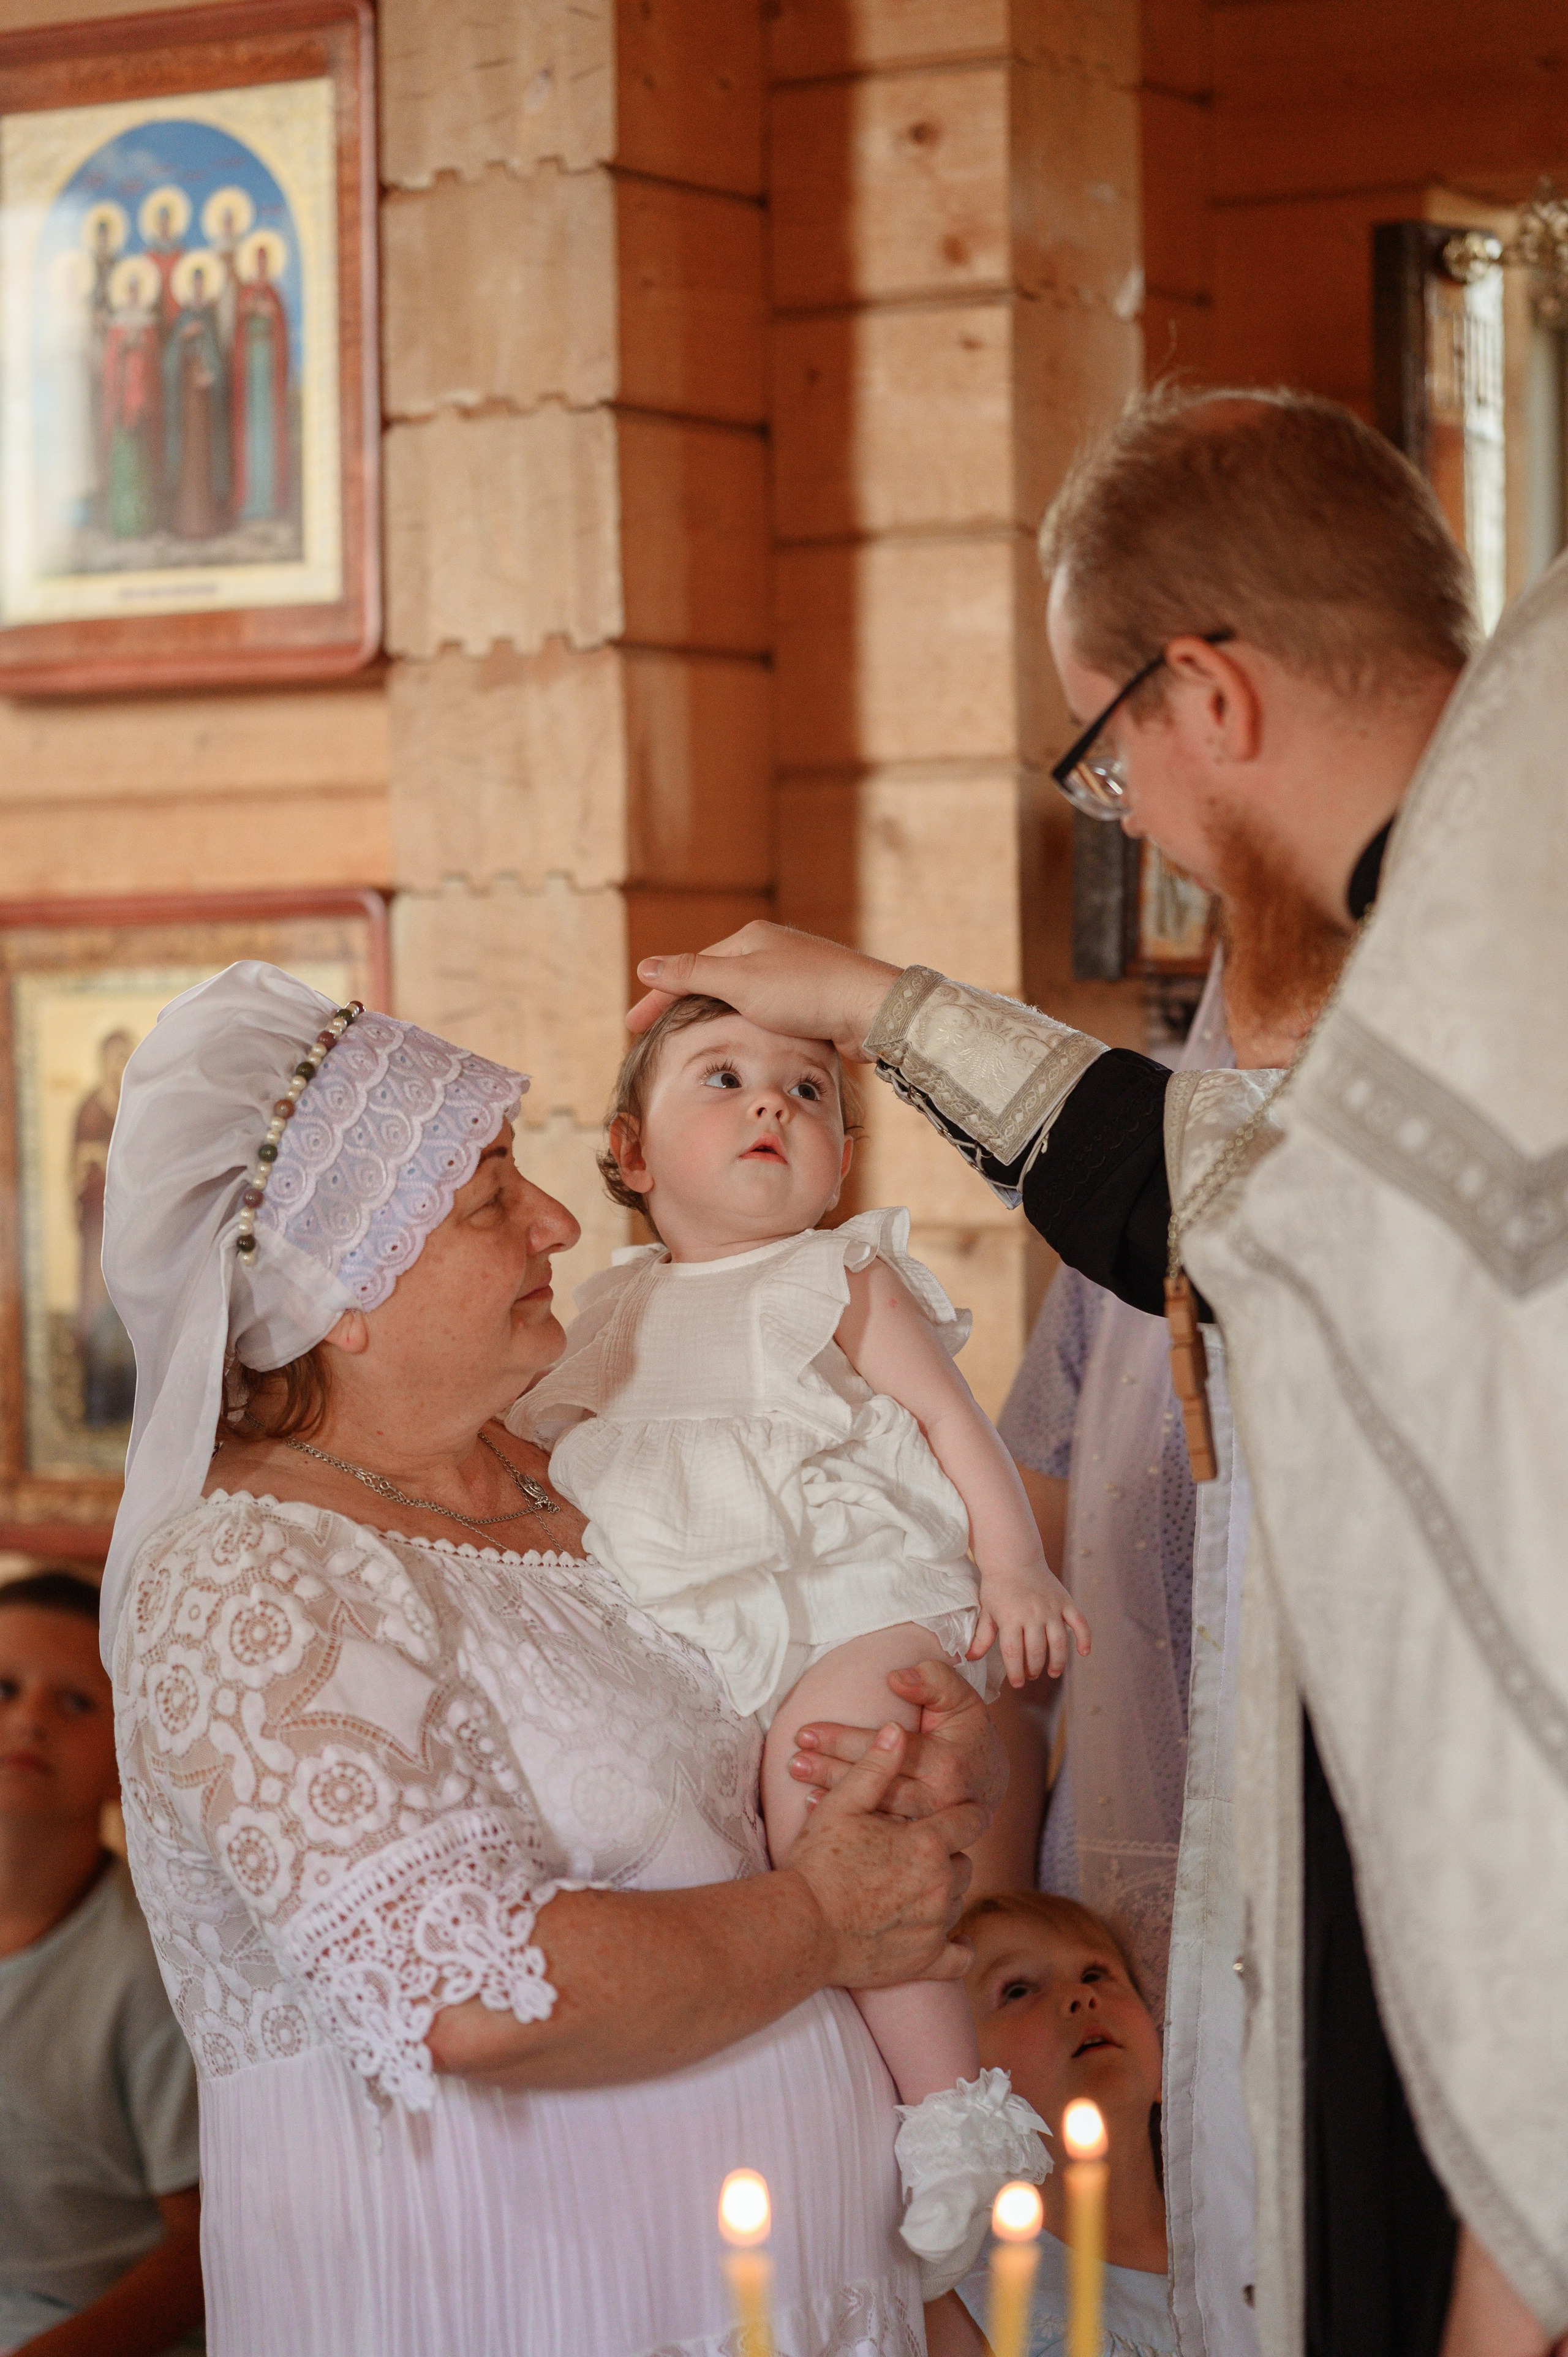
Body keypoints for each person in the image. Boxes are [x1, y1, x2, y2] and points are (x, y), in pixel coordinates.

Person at [627, 387, 1566, 2353]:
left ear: (1203, 696)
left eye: (1102, 755)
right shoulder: (1463, 921)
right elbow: (1260, 1200)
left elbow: (1248, 1208)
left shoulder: (1505, 937)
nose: (1123, 811)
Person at [103, 960, 1008, 2357]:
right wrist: (823, 1917)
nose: (560, 1218)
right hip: (517, 2308)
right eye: (485, 1202)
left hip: (826, 2303)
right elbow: (467, 1988)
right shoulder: (246, 1572)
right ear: (337, 1288)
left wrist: (922, 1725)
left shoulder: (600, 1487)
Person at [513, 995, 1085, 2295]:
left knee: (825, 1789)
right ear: (632, 1151)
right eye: (723, 1078)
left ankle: (953, 2112)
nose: (773, 1102)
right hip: (710, 1616)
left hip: (850, 1592)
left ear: (839, 1158)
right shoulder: (605, 1310)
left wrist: (1011, 1562)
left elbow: (954, 1426)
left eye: (809, 1091)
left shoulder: (834, 1276)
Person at [0, 1570, 202, 2356]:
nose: (29, 1720)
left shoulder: (161, 1968)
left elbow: (200, 2251)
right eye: (4, 1687)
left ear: (130, 1759)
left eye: (76, 1701)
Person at [933, 1891, 1173, 2357]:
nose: (1081, 1997)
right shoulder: (972, 2297)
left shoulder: (1243, 2237)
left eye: (1095, 1974)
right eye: (1018, 1990)